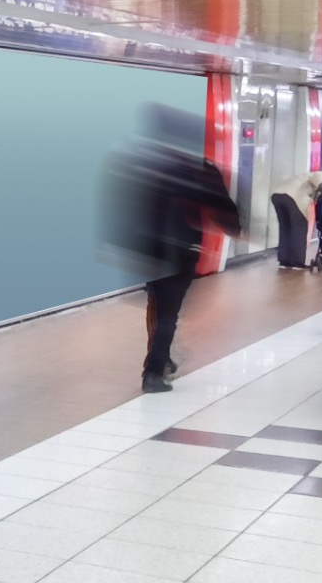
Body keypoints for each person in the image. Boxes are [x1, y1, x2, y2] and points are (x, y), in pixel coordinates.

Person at [98, 104, 242, 394]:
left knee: (159, 309)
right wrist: (236, 227)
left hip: (149, 250)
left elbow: (119, 202)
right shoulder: (198, 168)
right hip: (180, 250)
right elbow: (222, 208)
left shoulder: (139, 162)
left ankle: (162, 359)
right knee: (167, 315)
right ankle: (154, 371)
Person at [271, 171, 322, 269]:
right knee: (299, 228)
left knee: (285, 229)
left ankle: (284, 261)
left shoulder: (303, 176)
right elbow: (318, 180)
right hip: (292, 197)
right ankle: (297, 262)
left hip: (276, 195)